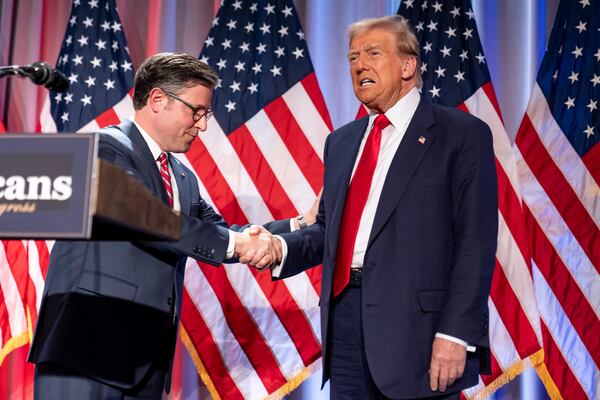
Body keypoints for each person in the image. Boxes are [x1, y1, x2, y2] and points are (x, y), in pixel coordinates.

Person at [28, 52, 292, 399]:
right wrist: (236, 243)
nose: (203, 125)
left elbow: (221, 233)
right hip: (87, 354)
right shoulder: (103, 148)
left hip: (145, 365)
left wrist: (295, 227)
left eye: (206, 113)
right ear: (157, 99)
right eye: (196, 111)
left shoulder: (181, 177)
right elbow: (145, 218)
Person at [267, 16, 498, 400]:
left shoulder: (461, 134)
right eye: (353, 57)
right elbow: (330, 231)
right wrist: (280, 248)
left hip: (420, 334)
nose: (359, 65)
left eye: (373, 53)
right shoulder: (341, 143)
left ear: (408, 66)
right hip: (345, 325)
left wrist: (456, 332)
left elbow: (475, 242)